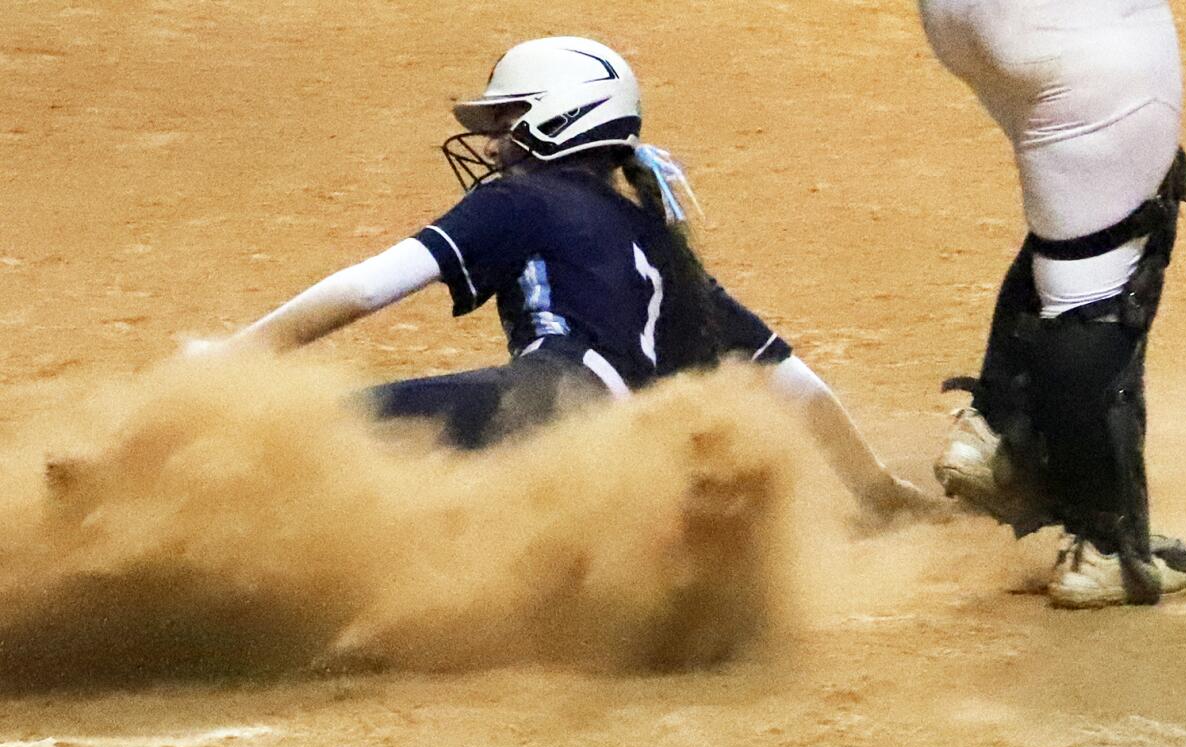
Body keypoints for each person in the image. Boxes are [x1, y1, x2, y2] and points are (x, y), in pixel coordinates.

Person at [186, 36, 938, 521]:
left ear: (560, 119)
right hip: (634, 459)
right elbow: (790, 376)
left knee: (319, 433)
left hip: (558, 402)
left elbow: (373, 284)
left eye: (508, 120)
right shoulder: (657, 240)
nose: (494, 142)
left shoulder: (519, 198)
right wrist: (877, 492)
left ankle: (167, 522)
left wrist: (236, 357)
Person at [918, 0, 1186, 606]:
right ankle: (1105, 545)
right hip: (1070, 32)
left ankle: (998, 426)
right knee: (1116, 249)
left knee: (1084, 216)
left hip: (958, 20)